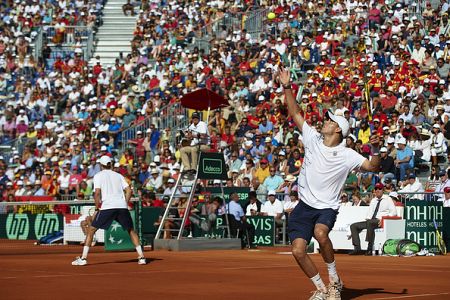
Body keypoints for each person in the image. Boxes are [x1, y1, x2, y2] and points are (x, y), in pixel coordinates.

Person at [280, 68, 381, 300]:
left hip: (326, 207)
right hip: (304, 206)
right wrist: (287, 87)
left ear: (338, 129)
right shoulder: (312, 138)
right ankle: (322, 289)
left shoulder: (347, 154)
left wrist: (376, 149)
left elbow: (373, 167)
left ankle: (334, 279)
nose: (325, 121)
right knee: (297, 251)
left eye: (330, 120)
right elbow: (295, 112)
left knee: (321, 233)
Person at [72, 156, 146, 266]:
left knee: (91, 230)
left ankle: (83, 258)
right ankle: (141, 257)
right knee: (131, 230)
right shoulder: (119, 175)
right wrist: (124, 203)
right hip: (121, 206)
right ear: (110, 164)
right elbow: (129, 191)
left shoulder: (98, 176)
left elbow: (97, 193)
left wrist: (97, 208)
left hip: (108, 207)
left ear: (101, 165)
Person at [349, 183, 397, 256]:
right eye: (376, 189)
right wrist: (367, 220)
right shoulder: (374, 200)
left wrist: (384, 219)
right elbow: (369, 214)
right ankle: (357, 248)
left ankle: (369, 248)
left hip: (381, 221)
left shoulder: (388, 199)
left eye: (379, 189)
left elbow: (394, 212)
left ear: (383, 190)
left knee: (370, 223)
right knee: (353, 226)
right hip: (371, 221)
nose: (377, 190)